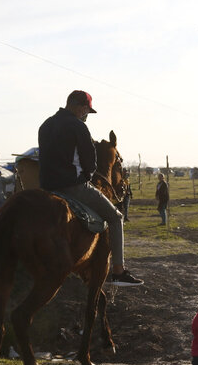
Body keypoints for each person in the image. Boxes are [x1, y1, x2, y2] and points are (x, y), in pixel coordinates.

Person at [38, 90, 143, 286]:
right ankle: (119, 271)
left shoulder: (45, 125)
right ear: (81, 107)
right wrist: (87, 176)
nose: (86, 115)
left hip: (45, 187)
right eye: (87, 111)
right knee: (115, 217)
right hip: (72, 186)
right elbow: (90, 162)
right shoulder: (78, 126)